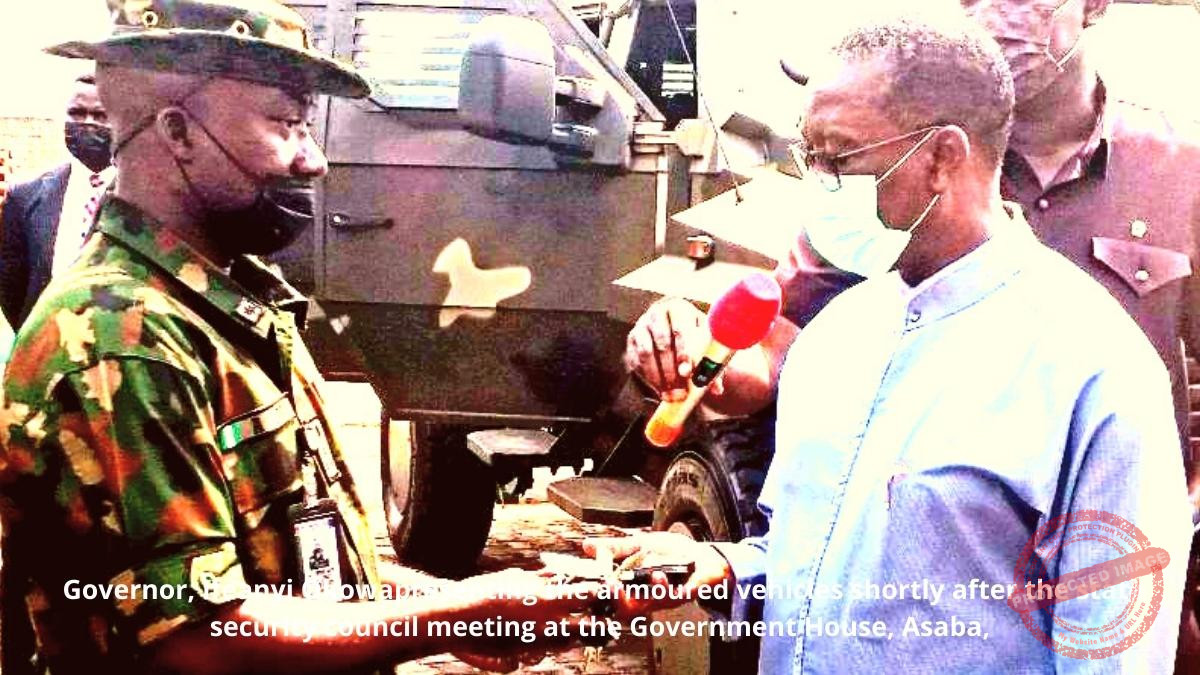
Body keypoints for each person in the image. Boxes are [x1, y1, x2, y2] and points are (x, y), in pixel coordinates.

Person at [0, 2, 596, 674]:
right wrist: (457, 614)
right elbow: (198, 638)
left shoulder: (229, 305)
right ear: (177, 131)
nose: (312, 160)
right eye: (286, 124)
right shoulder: (119, 338)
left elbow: (303, 568)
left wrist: (459, 604)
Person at [603, 7, 1191, 672]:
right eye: (810, 154)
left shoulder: (1096, 371)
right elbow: (828, 553)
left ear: (941, 157)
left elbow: (1112, 650)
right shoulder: (835, 339)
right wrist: (729, 568)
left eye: (839, 157)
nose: (820, 181)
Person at [0, 72, 116, 331]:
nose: (87, 124)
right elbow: (11, 288)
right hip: (46, 353)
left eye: (100, 116)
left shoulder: (142, 196)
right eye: (76, 113)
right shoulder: (24, 197)